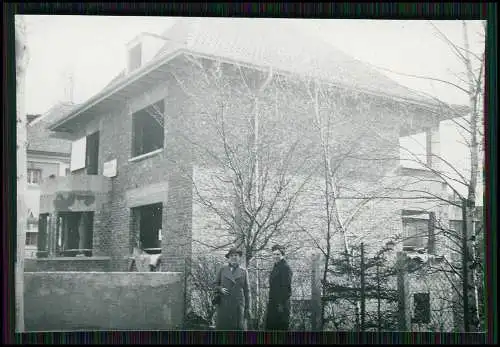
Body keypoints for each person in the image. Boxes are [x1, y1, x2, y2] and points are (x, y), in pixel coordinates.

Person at [213, 247, 252, 330]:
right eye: (231, 256)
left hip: (238, 307)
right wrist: (220, 289)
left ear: (239, 257)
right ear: (228, 258)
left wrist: (248, 308)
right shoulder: (222, 269)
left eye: (236, 255)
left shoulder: (244, 271)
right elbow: (215, 284)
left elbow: (247, 291)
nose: (234, 257)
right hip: (224, 305)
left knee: (237, 331)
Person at [265, 244, 293, 331]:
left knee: (280, 329)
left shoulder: (285, 267)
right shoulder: (276, 266)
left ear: (282, 255)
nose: (275, 256)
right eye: (274, 254)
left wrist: (280, 304)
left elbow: (286, 288)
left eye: (278, 254)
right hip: (273, 303)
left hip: (281, 305)